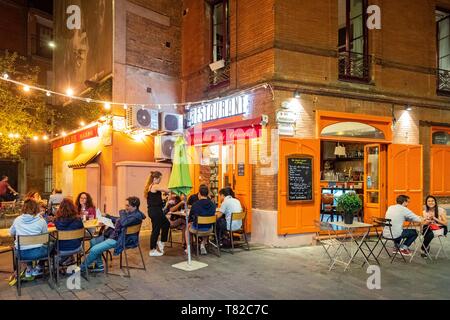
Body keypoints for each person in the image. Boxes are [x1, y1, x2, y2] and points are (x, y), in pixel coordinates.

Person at [80, 196, 146, 273]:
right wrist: (107, 216)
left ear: (135, 206)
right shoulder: (131, 213)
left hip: (120, 239)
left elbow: (124, 222)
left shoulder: (136, 216)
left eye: (128, 206)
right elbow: (119, 219)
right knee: (93, 242)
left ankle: (82, 267)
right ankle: (100, 266)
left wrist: (122, 212)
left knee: (94, 250)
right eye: (125, 205)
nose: (125, 207)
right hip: (116, 235)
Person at [9, 199, 49, 279]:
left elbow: (11, 233)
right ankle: (38, 267)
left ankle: (29, 268)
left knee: (27, 246)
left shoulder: (17, 220)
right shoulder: (41, 220)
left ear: (23, 208)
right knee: (51, 245)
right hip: (38, 253)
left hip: (21, 254)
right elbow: (45, 236)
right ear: (36, 208)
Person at [144, 171, 170, 257]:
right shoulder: (154, 186)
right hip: (155, 211)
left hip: (155, 210)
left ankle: (161, 242)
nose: (160, 181)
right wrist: (175, 188)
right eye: (159, 179)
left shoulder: (150, 186)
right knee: (156, 230)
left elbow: (156, 200)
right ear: (155, 178)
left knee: (165, 224)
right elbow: (167, 190)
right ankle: (153, 249)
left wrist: (165, 202)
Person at [186, 185, 216, 255]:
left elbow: (190, 218)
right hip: (209, 229)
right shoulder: (213, 204)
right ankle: (203, 243)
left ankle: (188, 248)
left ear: (199, 193)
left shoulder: (195, 204)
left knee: (187, 227)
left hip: (197, 229)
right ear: (208, 193)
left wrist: (191, 222)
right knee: (206, 224)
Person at [54, 198, 84, 266]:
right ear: (73, 208)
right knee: (70, 242)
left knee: (52, 243)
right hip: (77, 247)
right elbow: (81, 237)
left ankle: (56, 263)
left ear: (60, 208)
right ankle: (67, 259)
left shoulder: (57, 220)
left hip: (61, 249)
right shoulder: (78, 220)